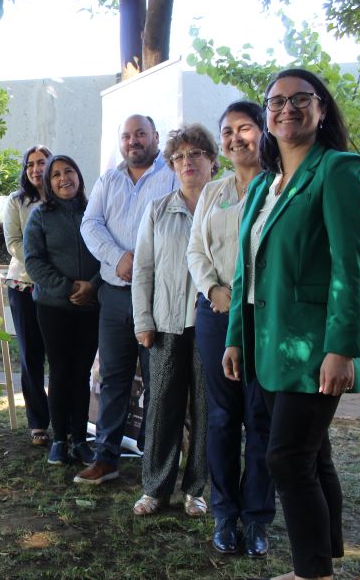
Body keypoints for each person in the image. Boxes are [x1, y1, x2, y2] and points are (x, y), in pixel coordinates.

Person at [223, 69, 360, 580]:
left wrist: (342, 349)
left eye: (300, 99)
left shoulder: (340, 170)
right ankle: (327, 551)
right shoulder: (267, 183)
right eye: (276, 101)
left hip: (314, 348)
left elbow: (350, 268)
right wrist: (236, 338)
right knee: (313, 454)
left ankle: (311, 573)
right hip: (268, 345)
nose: (286, 108)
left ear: (321, 109)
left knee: (286, 459)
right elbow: (247, 268)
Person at [187, 102, 274, 556]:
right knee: (221, 419)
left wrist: (242, 299)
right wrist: (214, 291)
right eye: (227, 131)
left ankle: (257, 519)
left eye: (245, 128)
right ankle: (224, 512)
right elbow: (195, 250)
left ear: (263, 132)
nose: (236, 138)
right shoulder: (213, 192)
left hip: (263, 316)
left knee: (261, 417)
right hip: (216, 314)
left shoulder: (279, 187)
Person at [77, 114, 177, 484]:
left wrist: (143, 263)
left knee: (157, 381)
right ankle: (106, 459)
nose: (133, 141)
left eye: (140, 134)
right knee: (114, 379)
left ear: (154, 137)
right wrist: (117, 257)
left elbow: (181, 223)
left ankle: (154, 463)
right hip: (115, 297)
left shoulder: (171, 176)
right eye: (127, 136)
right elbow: (90, 224)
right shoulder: (109, 180)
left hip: (157, 296)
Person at [129, 124, 214, 517]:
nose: (187, 162)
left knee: (206, 409)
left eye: (195, 154)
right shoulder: (159, 209)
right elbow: (143, 268)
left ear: (212, 159)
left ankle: (196, 488)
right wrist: (142, 320)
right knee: (162, 405)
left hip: (212, 324)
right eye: (179, 157)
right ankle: (156, 488)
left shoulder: (227, 208)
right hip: (164, 323)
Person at [24, 155, 101, 466]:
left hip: (91, 305)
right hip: (53, 306)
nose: (63, 178)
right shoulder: (40, 216)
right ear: (48, 183)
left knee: (81, 373)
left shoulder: (95, 212)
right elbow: (33, 262)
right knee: (59, 371)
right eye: (55, 174)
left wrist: (93, 286)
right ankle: (59, 440)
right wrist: (69, 288)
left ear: (79, 176)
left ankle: (80, 440)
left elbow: (109, 251)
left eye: (69, 171)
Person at [3, 145, 52, 447]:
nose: (36, 169)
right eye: (30, 164)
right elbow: (13, 242)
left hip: (57, 289)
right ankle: (38, 422)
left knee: (59, 357)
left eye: (42, 163)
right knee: (31, 355)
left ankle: (63, 418)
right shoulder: (17, 201)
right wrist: (43, 269)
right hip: (24, 285)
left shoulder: (64, 198)